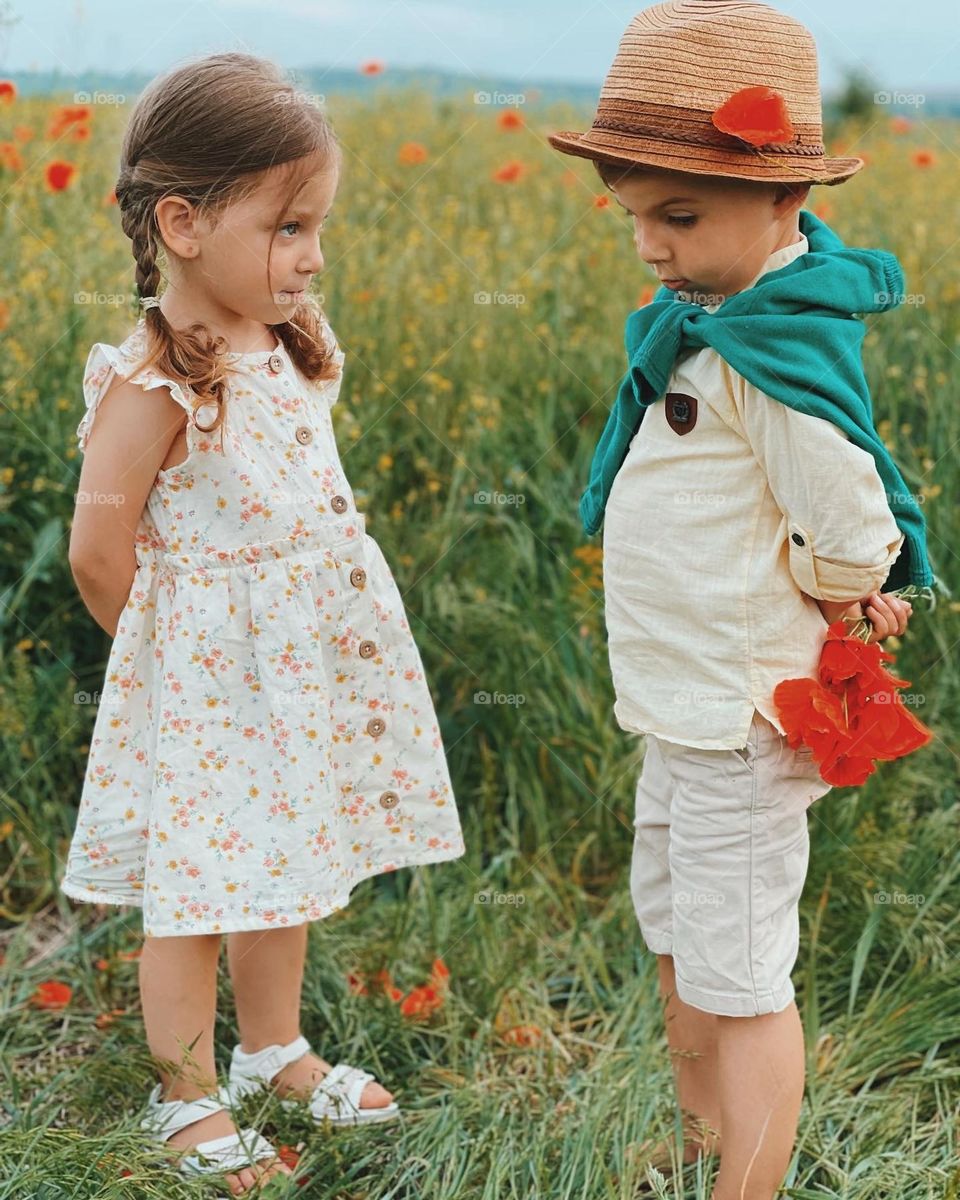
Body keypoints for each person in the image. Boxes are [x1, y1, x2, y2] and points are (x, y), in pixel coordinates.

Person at [548, 3, 937, 1198]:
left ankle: (749, 1183)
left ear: (784, 203)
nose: (651, 247)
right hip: (682, 709)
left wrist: (845, 596)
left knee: (744, 972)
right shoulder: (712, 325)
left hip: (745, 715)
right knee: (679, 932)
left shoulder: (777, 354)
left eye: (680, 216)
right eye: (636, 217)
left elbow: (854, 515)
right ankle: (703, 1127)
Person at [63, 52, 466, 1196]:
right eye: (289, 227)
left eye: (317, 226)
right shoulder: (150, 384)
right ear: (184, 223)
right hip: (202, 687)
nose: (314, 254)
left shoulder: (284, 343)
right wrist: (165, 671)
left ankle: (272, 1047)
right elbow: (101, 550)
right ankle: (183, 1093)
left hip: (297, 675)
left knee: (285, 859)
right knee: (199, 888)